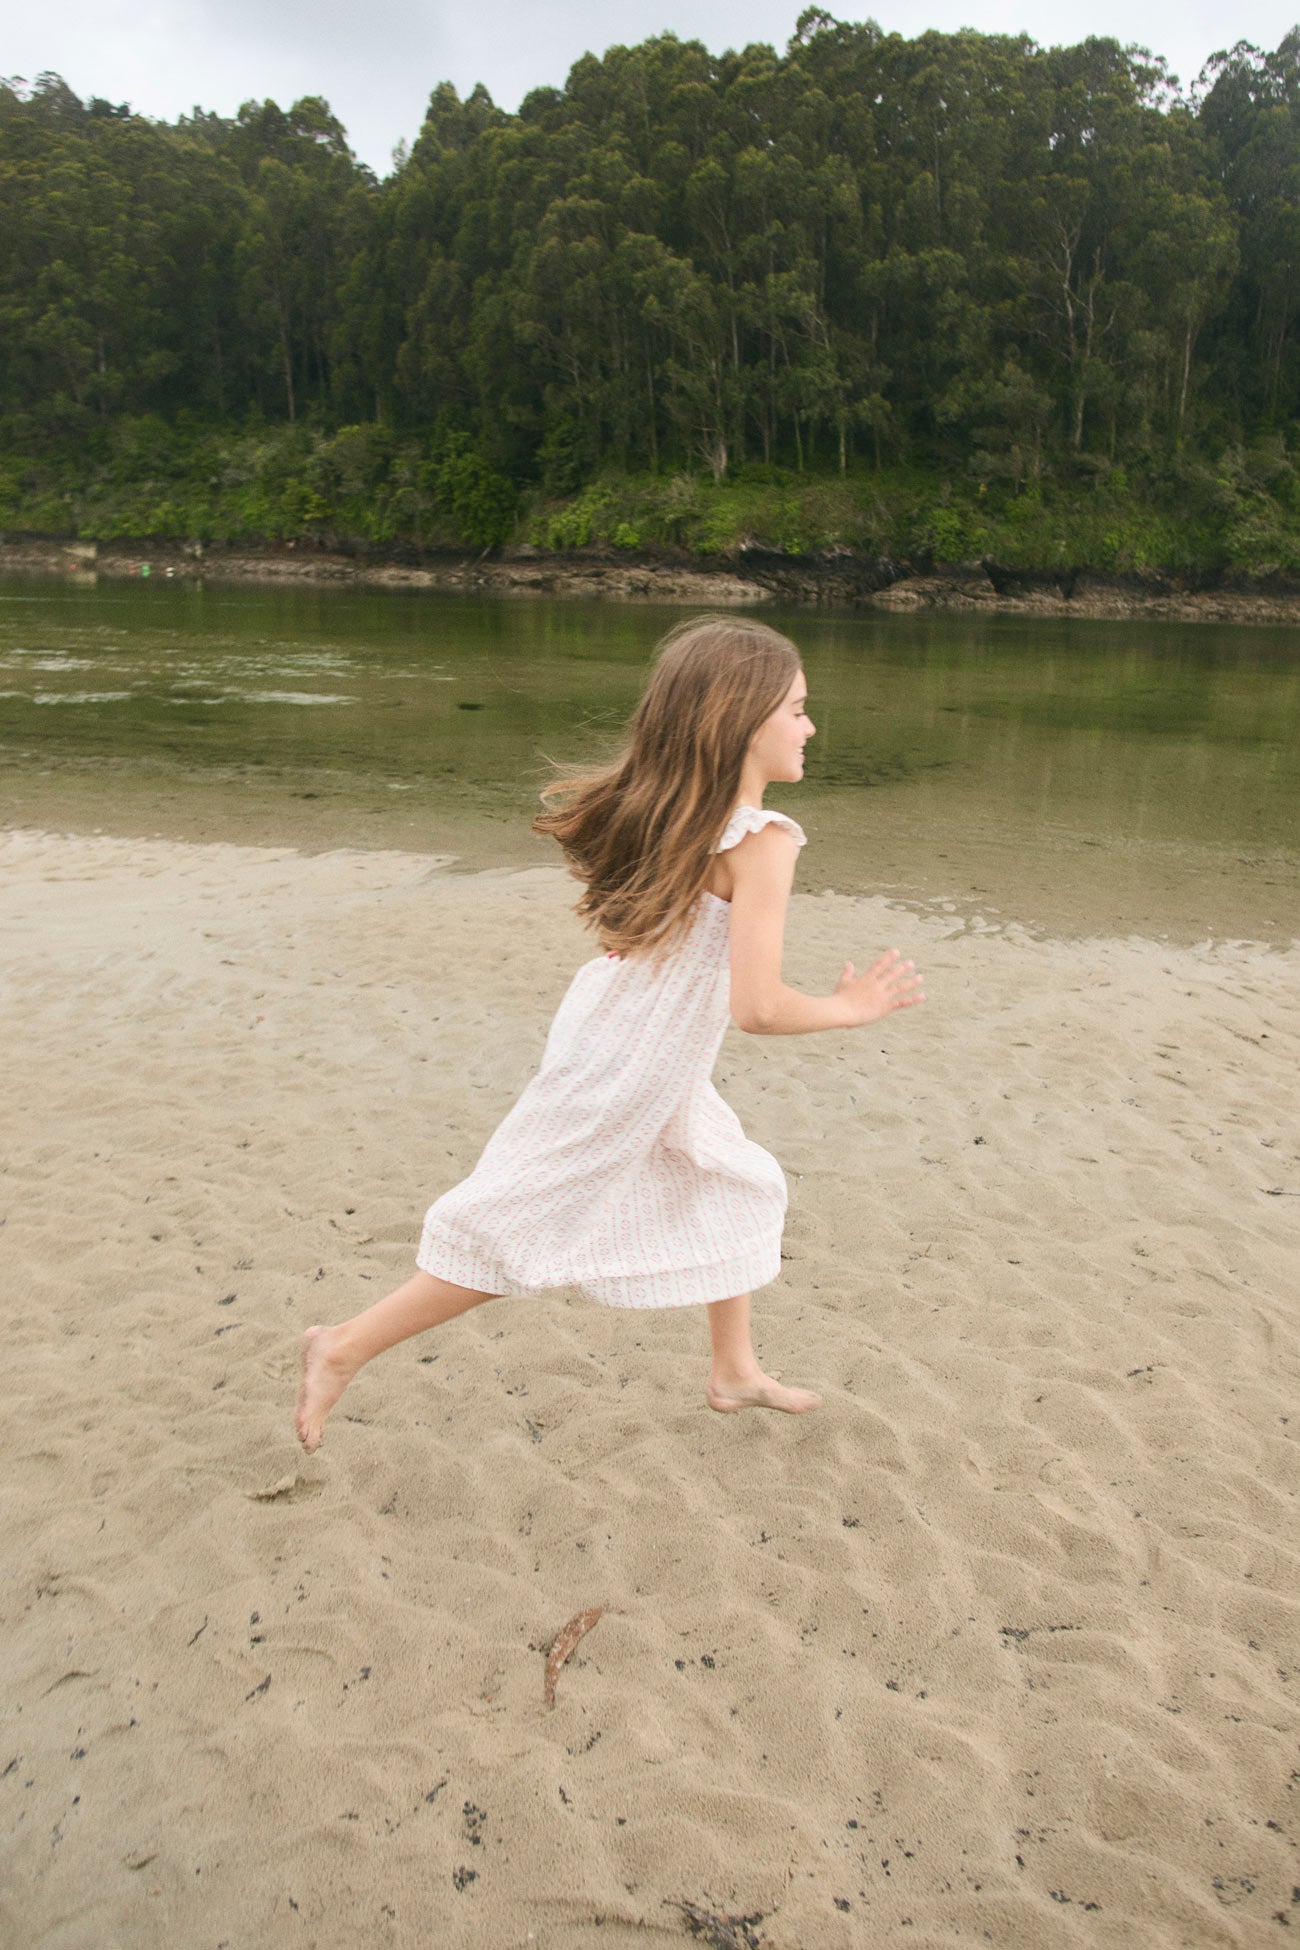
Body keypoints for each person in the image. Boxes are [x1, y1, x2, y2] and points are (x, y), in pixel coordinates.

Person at [295, 616, 923, 1452]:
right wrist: (855, 1007)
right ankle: (342, 1347)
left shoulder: (676, 810)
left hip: (619, 1030)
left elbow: (641, 935)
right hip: (637, 1057)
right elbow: (760, 1007)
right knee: (523, 1222)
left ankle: (733, 1371)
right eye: (799, 709)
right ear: (740, 719)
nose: (811, 727)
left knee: (737, 1178)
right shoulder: (764, 842)